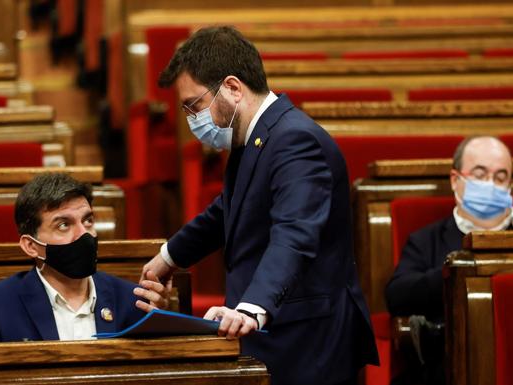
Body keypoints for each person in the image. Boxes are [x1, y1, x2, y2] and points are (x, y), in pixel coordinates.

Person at [140, 26, 378, 385]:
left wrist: (254, 306)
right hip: (279, 335)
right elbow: (227, 210)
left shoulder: (295, 140)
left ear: (233, 88)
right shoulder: (258, 136)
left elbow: (294, 234)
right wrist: (169, 257)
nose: (191, 119)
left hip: (306, 344)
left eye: (194, 105)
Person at [0, 173, 169, 342]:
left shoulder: (134, 302)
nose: (84, 234)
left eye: (88, 221)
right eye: (64, 225)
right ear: (31, 246)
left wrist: (161, 325)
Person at [385, 136, 513, 385]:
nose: (491, 185)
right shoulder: (426, 240)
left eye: (501, 178)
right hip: (449, 368)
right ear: (456, 180)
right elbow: (397, 296)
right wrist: (456, 273)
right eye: (480, 175)